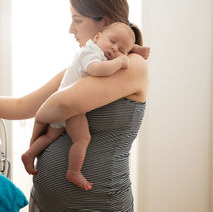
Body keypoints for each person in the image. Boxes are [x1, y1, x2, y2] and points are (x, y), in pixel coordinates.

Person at [0, 0, 149, 211]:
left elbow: (64, 103)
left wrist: (39, 124)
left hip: (99, 204)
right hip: (44, 203)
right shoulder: (80, 73)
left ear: (102, 23)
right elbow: (23, 105)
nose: (70, 29)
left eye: (77, 20)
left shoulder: (131, 65)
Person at [21, 22, 135, 191]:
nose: (114, 49)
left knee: (50, 136)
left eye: (121, 50)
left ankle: (29, 154)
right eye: (112, 41)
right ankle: (73, 171)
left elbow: (121, 43)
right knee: (82, 138)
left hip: (63, 106)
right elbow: (96, 70)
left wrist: (134, 51)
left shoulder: (99, 50)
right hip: (71, 107)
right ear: (97, 37)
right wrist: (121, 62)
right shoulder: (91, 52)